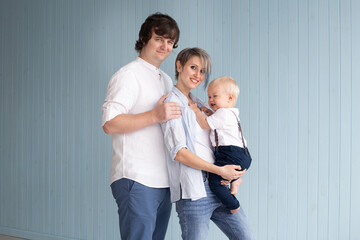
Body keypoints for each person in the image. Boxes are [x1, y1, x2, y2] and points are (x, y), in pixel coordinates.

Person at [102, 13, 181, 240]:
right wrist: (155, 115)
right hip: (136, 178)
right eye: (159, 38)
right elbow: (110, 123)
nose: (165, 46)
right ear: (145, 38)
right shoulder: (128, 75)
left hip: (163, 181)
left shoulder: (165, 80)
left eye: (170, 41)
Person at [161, 48, 254, 239]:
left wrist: (235, 171)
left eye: (202, 71)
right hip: (194, 192)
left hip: (219, 186)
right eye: (193, 67)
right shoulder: (172, 103)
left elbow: (223, 138)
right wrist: (221, 171)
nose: (198, 75)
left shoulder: (203, 104)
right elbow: (179, 153)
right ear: (179, 66)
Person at [189, 76, 252, 214]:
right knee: (225, 175)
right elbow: (218, 122)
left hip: (229, 154)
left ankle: (233, 205)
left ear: (229, 98)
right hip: (243, 154)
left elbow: (206, 124)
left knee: (215, 182)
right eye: (209, 96)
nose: (211, 100)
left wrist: (195, 110)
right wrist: (209, 112)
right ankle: (236, 180)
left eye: (215, 96)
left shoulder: (222, 113)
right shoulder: (231, 113)